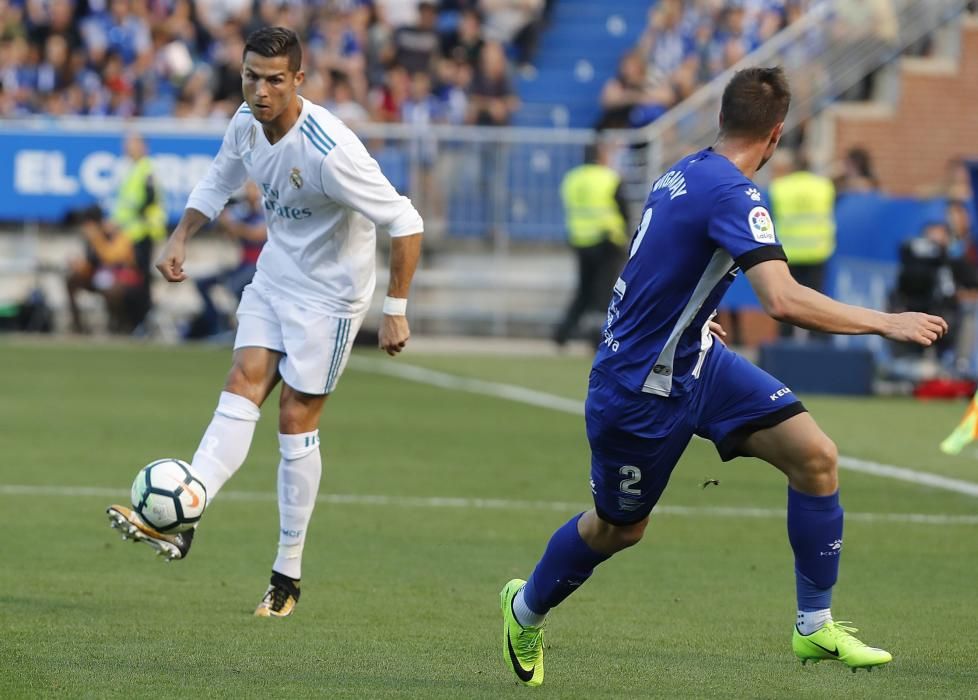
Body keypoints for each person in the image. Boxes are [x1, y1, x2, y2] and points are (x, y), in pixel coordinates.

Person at [499, 66, 947, 687]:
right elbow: (783, 301)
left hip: (697, 362)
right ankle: (524, 608)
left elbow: (654, 264)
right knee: (619, 528)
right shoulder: (734, 193)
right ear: (776, 134)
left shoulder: (683, 169)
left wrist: (694, 320)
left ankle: (814, 626)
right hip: (638, 392)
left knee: (815, 457)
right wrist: (885, 322)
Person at [106, 26, 424, 618]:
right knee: (241, 381)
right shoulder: (245, 123)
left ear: (298, 80)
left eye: (275, 79)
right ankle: (185, 515)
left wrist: (396, 310)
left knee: (293, 417)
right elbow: (219, 180)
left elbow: (406, 222)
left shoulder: (331, 148)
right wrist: (181, 235)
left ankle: (287, 575)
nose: (260, 90)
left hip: (331, 297)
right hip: (278, 275)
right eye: (251, 76)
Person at [554, 142, 629, 348]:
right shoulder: (609, 178)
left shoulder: (572, 178)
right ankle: (595, 337)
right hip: (607, 240)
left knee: (584, 288)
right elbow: (623, 210)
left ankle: (563, 331)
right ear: (600, 155)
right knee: (603, 291)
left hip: (579, 239)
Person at [768, 150, 836, 339]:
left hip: (788, 253)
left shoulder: (779, 187)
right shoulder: (824, 186)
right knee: (817, 303)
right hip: (817, 251)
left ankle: (785, 343)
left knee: (785, 302)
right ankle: (818, 343)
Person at [186, 180, 267, 339]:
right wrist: (223, 222)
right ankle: (216, 326)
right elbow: (230, 237)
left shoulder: (265, 214)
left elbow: (257, 235)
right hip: (242, 265)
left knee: (234, 286)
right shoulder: (244, 215)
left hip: (258, 267)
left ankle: (244, 329)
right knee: (203, 283)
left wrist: (231, 225)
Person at [64, 205, 152, 334]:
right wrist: (79, 266)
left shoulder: (114, 234)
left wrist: (96, 239)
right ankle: (79, 326)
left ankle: (119, 325)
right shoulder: (92, 237)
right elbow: (92, 264)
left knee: (110, 290)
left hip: (123, 277)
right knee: (71, 281)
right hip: (100, 276)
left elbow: (112, 259)